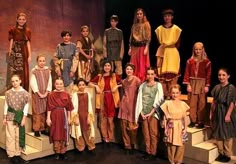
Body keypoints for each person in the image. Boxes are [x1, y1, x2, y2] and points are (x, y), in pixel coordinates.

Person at [88, 60, 121, 146]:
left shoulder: (114, 76)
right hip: (102, 97)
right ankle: (104, 137)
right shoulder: (100, 76)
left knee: (110, 119)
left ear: (111, 67)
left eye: (109, 66)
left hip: (111, 98)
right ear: (103, 67)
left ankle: (110, 138)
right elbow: (89, 83)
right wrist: (96, 86)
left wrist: (116, 86)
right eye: (105, 66)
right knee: (103, 119)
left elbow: (122, 83)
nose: (107, 67)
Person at [135, 67, 164, 160]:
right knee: (146, 134)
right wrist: (141, 112)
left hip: (153, 113)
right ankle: (148, 151)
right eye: (148, 74)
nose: (150, 76)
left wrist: (151, 112)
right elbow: (139, 100)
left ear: (155, 75)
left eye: (152, 74)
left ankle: (153, 153)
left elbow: (159, 99)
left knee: (153, 133)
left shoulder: (158, 85)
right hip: (144, 112)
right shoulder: (142, 85)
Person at [2, 74, 30, 164]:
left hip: (20, 116)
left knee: (18, 135)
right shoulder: (8, 93)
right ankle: (11, 154)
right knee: (10, 136)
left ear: (20, 81)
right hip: (10, 116)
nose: (14, 83)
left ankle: (18, 154)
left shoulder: (25, 93)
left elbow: (26, 107)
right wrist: (4, 117)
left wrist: (24, 118)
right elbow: (6, 105)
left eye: (16, 81)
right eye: (13, 81)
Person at [210, 68, 236, 163]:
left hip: (226, 112)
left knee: (226, 134)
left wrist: (228, 115)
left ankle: (227, 155)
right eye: (219, 75)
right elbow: (214, 101)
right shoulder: (217, 87)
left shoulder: (231, 87)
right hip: (218, 112)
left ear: (228, 76)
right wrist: (211, 113)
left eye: (223, 75)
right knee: (218, 133)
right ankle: (221, 153)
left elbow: (232, 103)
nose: (221, 77)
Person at [183, 42, 212, 128]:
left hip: (202, 83)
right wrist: (188, 84)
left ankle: (201, 121)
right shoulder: (190, 61)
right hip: (192, 83)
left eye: (200, 49)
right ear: (193, 50)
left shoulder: (207, 62)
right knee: (192, 103)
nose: (198, 51)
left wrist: (207, 85)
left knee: (201, 103)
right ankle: (193, 120)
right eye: (196, 49)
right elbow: (187, 73)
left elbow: (208, 74)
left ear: (203, 49)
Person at [155, 9, 182, 98]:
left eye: (169, 16)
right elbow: (158, 42)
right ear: (163, 17)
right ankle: (165, 96)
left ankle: (172, 95)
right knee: (162, 76)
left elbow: (178, 43)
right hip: (162, 52)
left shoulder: (176, 29)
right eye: (165, 16)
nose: (167, 18)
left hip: (172, 53)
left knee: (172, 75)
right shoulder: (159, 29)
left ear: (172, 17)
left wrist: (170, 49)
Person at [160, 84, 189, 164]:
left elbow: (185, 118)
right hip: (171, 126)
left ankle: (178, 162)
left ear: (179, 93)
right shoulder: (167, 103)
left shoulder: (183, 104)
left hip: (180, 126)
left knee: (180, 146)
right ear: (170, 93)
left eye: (176, 93)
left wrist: (185, 129)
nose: (175, 95)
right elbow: (165, 118)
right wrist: (166, 129)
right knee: (171, 146)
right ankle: (171, 162)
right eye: (173, 93)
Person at [46, 78, 74, 160]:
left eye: (60, 84)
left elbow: (69, 107)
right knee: (56, 133)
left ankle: (63, 152)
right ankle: (57, 152)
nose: (59, 85)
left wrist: (69, 117)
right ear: (55, 85)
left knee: (64, 133)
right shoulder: (51, 94)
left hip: (64, 115)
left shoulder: (66, 94)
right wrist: (48, 118)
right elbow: (49, 107)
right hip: (54, 115)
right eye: (57, 84)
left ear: (63, 84)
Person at [118, 63, 141, 155]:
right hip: (124, 106)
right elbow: (122, 93)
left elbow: (140, 93)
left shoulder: (137, 80)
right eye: (127, 69)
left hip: (133, 106)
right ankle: (127, 146)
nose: (129, 71)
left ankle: (132, 143)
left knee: (132, 128)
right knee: (123, 128)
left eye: (130, 69)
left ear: (133, 71)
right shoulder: (123, 81)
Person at [71, 78, 96, 156]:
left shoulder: (87, 94)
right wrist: (75, 117)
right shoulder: (75, 95)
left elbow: (90, 107)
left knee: (88, 131)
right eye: (80, 85)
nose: (81, 86)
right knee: (78, 132)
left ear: (85, 85)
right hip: (78, 116)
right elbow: (73, 107)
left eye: (83, 85)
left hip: (86, 115)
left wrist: (89, 117)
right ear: (77, 86)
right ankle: (80, 148)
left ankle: (91, 147)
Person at [7, 12, 32, 91]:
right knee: (15, 71)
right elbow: (11, 41)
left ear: (25, 20)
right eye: (20, 19)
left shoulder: (27, 31)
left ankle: (23, 89)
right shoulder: (13, 30)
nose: (21, 21)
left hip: (24, 52)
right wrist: (10, 52)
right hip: (15, 51)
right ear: (17, 20)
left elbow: (28, 43)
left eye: (23, 19)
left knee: (23, 71)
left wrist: (30, 55)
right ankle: (14, 89)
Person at [30, 54, 52, 137]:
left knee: (44, 111)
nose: (42, 62)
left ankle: (43, 128)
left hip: (46, 94)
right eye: (40, 61)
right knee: (37, 112)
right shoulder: (34, 71)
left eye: (43, 61)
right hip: (37, 94)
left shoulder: (47, 70)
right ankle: (36, 129)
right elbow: (33, 83)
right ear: (37, 61)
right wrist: (39, 93)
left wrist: (46, 92)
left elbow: (49, 82)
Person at [128, 8, 151, 82]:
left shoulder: (146, 24)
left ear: (143, 15)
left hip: (142, 47)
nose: (139, 15)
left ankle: (142, 81)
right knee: (134, 64)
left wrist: (146, 47)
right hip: (134, 47)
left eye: (141, 14)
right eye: (138, 14)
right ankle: (134, 81)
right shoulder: (134, 25)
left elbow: (148, 37)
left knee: (142, 65)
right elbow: (131, 37)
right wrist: (130, 48)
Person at [54, 30, 77, 95]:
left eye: (67, 35)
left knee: (70, 86)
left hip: (70, 67)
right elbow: (56, 58)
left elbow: (76, 59)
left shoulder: (73, 46)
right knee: (61, 84)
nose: (66, 37)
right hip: (62, 67)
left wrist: (73, 70)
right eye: (64, 36)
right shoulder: (59, 46)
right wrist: (58, 69)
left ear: (70, 37)